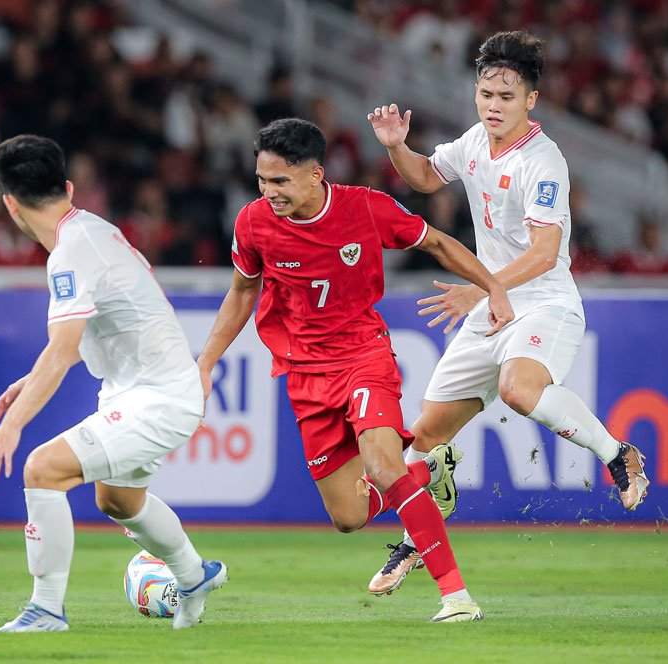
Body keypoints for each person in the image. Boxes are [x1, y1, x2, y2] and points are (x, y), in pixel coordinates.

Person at [196, 118, 514, 623]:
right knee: (348, 517)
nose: (268, 192)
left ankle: (456, 597)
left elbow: (436, 242)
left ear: (316, 173)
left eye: (280, 181)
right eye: (262, 180)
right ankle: (427, 470)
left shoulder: (364, 207)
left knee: (383, 466)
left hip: (364, 356)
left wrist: (493, 286)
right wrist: (207, 361)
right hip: (304, 373)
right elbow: (241, 291)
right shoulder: (253, 223)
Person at [366, 30, 651, 594]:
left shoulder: (544, 163)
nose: (493, 106)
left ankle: (617, 454)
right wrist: (397, 145)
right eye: (486, 94)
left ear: (531, 101)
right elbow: (425, 176)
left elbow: (546, 253)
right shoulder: (475, 141)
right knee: (423, 438)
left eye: (506, 96)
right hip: (492, 301)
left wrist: (484, 288)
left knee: (520, 390)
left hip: (544, 302)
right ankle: (425, 526)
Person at [0, 135, 226, 633]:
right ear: (67, 187)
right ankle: (194, 576)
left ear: (10, 204)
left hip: (157, 397)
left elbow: (64, 347)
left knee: (42, 468)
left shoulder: (70, 252)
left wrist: (13, 426)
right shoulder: (94, 232)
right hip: (146, 389)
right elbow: (104, 323)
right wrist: (31, 380)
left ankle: (46, 610)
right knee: (119, 502)